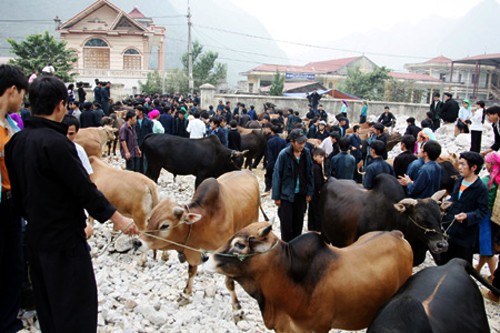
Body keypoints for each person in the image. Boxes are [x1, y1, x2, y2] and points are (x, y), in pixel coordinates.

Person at [5, 76, 138, 333]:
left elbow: (18, 196)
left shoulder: (16, 143)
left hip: (35, 237)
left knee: (48, 304)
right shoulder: (57, 144)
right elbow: (84, 190)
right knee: (76, 306)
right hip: (64, 241)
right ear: (61, 106)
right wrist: (118, 219)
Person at [0, 64, 28, 333]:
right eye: (21, 94)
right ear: (11, 91)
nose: (23, 101)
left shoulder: (11, 126)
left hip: (12, 203)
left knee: (13, 264)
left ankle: (8, 321)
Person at [438, 151, 488, 265]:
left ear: (474, 167)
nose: (459, 167)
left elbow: (482, 211)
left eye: (463, 164)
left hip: (464, 236)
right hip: (449, 230)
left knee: (460, 267)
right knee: (443, 263)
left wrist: (467, 216)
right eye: (459, 164)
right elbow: (454, 199)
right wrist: (448, 203)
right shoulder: (459, 181)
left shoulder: (480, 188)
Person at [272, 128, 314, 242]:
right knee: (286, 225)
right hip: (286, 196)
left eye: (304, 142)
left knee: (298, 223)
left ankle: (296, 248)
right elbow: (277, 175)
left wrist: (310, 192)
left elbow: (309, 173)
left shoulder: (306, 153)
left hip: (301, 194)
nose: (302, 145)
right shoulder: (284, 155)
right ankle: (286, 248)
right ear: (292, 142)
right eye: (300, 143)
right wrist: (276, 196)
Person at [476, 152, 500, 282]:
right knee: (487, 247)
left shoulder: (487, 181)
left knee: (487, 248)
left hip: (485, 216)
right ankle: (479, 270)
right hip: (495, 217)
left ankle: (493, 277)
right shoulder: (498, 180)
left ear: (491, 164)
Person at [308, 148, 326, 232]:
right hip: (316, 192)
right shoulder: (316, 168)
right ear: (314, 156)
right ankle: (317, 228)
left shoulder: (312, 165)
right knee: (317, 210)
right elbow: (318, 182)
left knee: (311, 209)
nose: (322, 159)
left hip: (312, 192)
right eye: (321, 157)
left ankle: (311, 227)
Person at [264, 124, 286, 193]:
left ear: (272, 132)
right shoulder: (283, 141)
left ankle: (268, 188)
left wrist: (268, 162)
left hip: (272, 162)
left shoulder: (270, 141)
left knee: (269, 175)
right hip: (280, 162)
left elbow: (268, 153)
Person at [134, 105, 153, 174]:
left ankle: (146, 173)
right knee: (138, 159)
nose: (135, 112)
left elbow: (151, 133)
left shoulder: (148, 121)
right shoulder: (134, 121)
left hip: (146, 143)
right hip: (137, 142)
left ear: (140, 112)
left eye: (136, 111)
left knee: (145, 159)